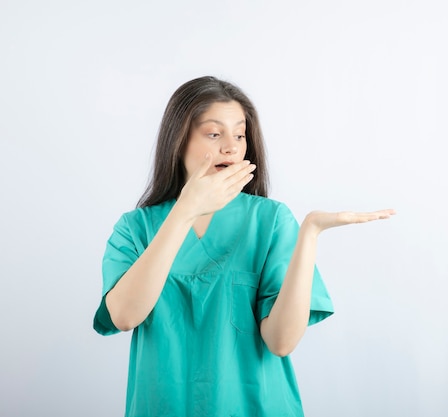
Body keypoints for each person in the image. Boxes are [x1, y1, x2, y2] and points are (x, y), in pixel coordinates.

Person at [93, 75, 395, 417]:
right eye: (213, 133)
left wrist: (309, 233)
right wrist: (184, 213)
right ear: (178, 141)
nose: (232, 147)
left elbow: (281, 341)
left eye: (239, 134)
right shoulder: (135, 229)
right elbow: (124, 316)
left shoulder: (270, 222)